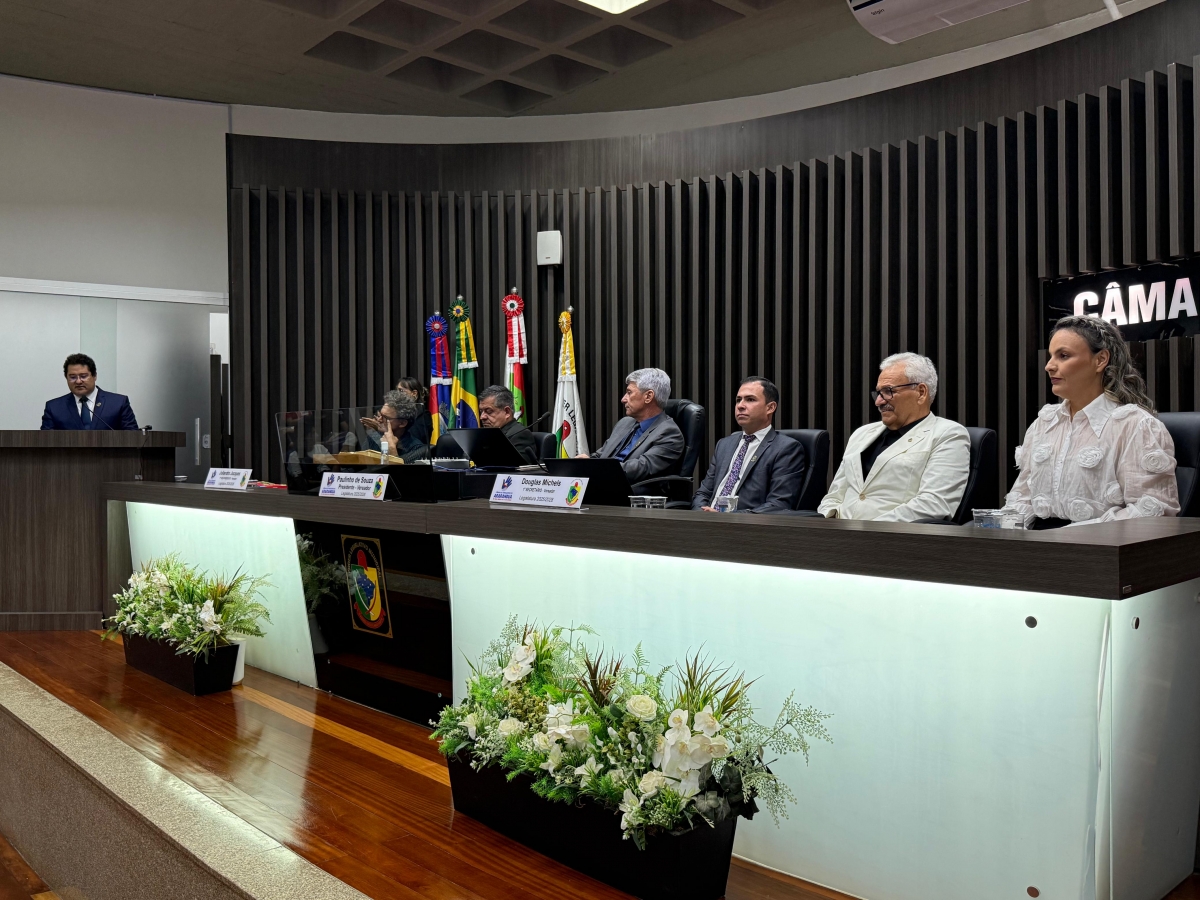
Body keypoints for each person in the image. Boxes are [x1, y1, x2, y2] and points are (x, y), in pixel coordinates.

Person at [1005, 316, 1179, 528]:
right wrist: (1002, 533)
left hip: (1102, 545)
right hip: (1038, 543)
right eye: (1051, 356)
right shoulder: (1043, 424)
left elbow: (1152, 513)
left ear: (1100, 360)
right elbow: (1022, 498)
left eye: (1063, 356)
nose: (1049, 366)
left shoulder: (1135, 425)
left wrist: (1065, 536)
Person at [818, 352, 970, 522]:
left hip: (892, 535)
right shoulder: (862, 434)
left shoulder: (948, 434)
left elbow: (933, 504)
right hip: (837, 532)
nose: (878, 402)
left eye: (888, 391)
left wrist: (866, 531)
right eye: (878, 393)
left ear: (921, 392)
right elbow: (834, 497)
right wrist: (824, 524)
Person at [693, 377, 807, 513]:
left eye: (750, 399)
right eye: (738, 400)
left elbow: (778, 504)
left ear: (770, 407)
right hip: (706, 520)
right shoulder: (724, 445)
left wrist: (727, 517)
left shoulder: (786, 448)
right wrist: (701, 514)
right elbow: (703, 493)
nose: (740, 406)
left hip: (746, 523)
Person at [585, 368, 684, 484]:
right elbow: (602, 455)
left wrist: (595, 468)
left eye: (629, 392)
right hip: (600, 483)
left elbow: (640, 469)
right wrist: (584, 462)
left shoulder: (670, 434)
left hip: (628, 491)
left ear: (648, 396)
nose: (623, 399)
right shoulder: (625, 423)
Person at [41, 353, 138, 431]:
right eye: (73, 377)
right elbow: (46, 442)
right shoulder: (54, 408)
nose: (78, 381)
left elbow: (133, 437)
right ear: (66, 378)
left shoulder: (118, 403)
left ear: (94, 376)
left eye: (83, 376)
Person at [361, 390, 430, 464]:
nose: (379, 420)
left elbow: (399, 471)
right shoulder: (373, 438)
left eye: (385, 417)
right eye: (380, 415)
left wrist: (392, 448)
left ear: (402, 423)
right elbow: (358, 466)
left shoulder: (417, 450)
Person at [478, 385, 539, 465]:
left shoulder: (520, 434)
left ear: (507, 412)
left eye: (489, 411)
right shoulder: (485, 434)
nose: (482, 417)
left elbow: (520, 468)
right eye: (481, 411)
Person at [396, 375, 434, 446]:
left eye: (401, 391)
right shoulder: (397, 412)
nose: (397, 394)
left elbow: (416, 439)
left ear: (414, 393)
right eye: (397, 391)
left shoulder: (423, 415)